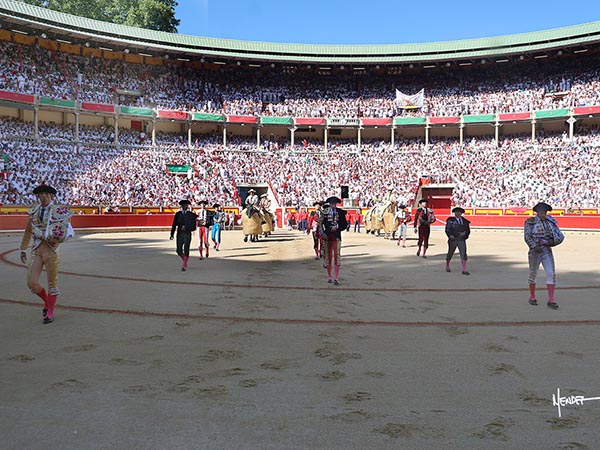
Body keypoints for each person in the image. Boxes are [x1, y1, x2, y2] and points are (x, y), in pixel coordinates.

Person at [19, 184, 74, 324]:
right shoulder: (34, 211)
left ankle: (50, 312)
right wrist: (23, 249)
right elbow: (28, 231)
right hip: (37, 249)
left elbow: (66, 230)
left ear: (51, 196)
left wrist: (51, 235)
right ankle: (47, 301)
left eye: (46, 194)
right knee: (32, 283)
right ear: (38, 196)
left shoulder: (58, 211)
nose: (44, 196)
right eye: (41, 194)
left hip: (51, 250)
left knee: (52, 283)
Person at [524, 202, 565, 309]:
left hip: (546, 250)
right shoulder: (530, 222)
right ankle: (532, 297)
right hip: (535, 251)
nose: (543, 213)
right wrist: (534, 246)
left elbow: (560, 236)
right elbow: (527, 237)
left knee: (551, 273)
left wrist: (552, 242)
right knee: (533, 274)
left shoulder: (550, 221)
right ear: (537, 212)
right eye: (541, 211)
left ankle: (551, 300)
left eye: (545, 212)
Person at [322, 196, 348, 285]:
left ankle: (336, 278)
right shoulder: (325, 212)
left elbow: (344, 225)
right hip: (327, 236)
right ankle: (329, 276)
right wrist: (323, 233)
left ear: (336, 204)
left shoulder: (340, 212)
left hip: (336, 237)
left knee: (337, 257)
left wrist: (337, 227)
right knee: (328, 257)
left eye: (334, 203)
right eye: (331, 203)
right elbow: (320, 224)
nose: (332, 205)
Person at [170, 199, 197, 271]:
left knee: (186, 248)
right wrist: (172, 234)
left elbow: (194, 226)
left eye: (186, 205)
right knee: (178, 250)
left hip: (187, 233)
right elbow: (174, 224)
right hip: (180, 233)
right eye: (184, 205)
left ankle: (184, 264)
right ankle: (185, 260)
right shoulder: (178, 214)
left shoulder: (191, 215)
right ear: (181, 206)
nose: (185, 206)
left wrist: (187, 228)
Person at [445, 207, 471, 275]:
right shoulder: (450, 220)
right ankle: (447, 265)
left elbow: (468, 230)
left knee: (463, 254)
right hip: (453, 239)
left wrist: (464, 233)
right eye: (456, 212)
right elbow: (447, 229)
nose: (457, 213)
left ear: (461, 213)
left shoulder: (465, 221)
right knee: (450, 252)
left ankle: (464, 270)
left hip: (461, 239)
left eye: (459, 212)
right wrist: (450, 235)